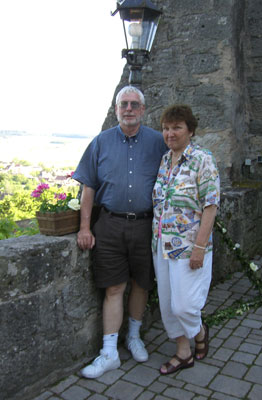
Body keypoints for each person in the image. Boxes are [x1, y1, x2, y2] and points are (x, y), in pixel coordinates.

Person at [73, 85, 167, 379]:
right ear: (116, 110)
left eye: (134, 104)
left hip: (146, 225)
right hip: (110, 225)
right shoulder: (100, 142)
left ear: (142, 110)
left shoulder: (157, 142)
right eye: (123, 104)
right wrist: (85, 227)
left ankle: (134, 336)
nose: (128, 109)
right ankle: (109, 352)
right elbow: (88, 187)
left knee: (141, 283)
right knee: (114, 287)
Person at [152, 104, 220, 375]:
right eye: (166, 128)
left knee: (184, 305)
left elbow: (211, 205)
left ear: (190, 130)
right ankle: (183, 352)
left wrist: (200, 248)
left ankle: (200, 331)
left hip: (191, 246)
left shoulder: (202, 159)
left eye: (177, 127)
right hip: (162, 244)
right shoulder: (165, 160)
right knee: (168, 304)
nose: (170, 133)